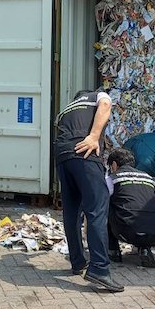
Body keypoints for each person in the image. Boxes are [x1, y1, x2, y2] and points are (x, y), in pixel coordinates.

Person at [54, 89, 124, 293]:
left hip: (62, 157)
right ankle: (100, 269)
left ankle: (77, 262)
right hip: (84, 154)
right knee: (97, 209)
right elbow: (105, 106)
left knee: (72, 211)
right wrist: (94, 136)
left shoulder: (67, 109)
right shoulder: (98, 96)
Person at [105, 148, 155, 269]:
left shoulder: (112, 178)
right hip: (154, 234)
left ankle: (113, 251)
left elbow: (100, 203)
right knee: (144, 215)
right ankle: (145, 249)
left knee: (106, 206)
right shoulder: (150, 179)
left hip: (126, 230)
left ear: (114, 164)